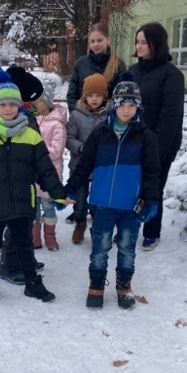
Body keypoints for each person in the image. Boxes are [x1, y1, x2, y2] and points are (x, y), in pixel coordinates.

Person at [0, 72, 71, 304]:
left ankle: (32, 284)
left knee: (24, 243)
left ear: (19, 105)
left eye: (12, 104)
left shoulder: (31, 136)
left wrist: (59, 193)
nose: (8, 109)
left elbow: (45, 169)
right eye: (2, 104)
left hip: (23, 199)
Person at [66, 74, 160, 310]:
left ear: (138, 107)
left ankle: (124, 287)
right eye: (122, 104)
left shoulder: (145, 136)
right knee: (101, 247)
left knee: (127, 248)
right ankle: (96, 285)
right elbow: (84, 164)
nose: (126, 110)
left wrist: (151, 199)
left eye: (131, 105)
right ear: (114, 105)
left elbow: (152, 172)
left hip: (130, 206)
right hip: (103, 204)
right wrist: (71, 188)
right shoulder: (100, 133)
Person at [129, 22, 185, 251]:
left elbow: (170, 116)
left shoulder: (172, 75)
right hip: (134, 141)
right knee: (132, 186)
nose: (139, 46)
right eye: (137, 42)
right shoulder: (133, 71)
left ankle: (152, 232)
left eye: (144, 42)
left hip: (161, 144)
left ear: (156, 43)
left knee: (153, 188)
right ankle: (129, 227)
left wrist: (157, 150)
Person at [0, 65, 45, 284]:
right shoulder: (16, 118)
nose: (39, 101)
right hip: (13, 180)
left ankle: (26, 258)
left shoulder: (27, 115)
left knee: (27, 222)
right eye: (35, 97)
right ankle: (8, 265)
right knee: (15, 225)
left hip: (27, 178)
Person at [65, 73, 110, 244]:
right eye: (90, 96)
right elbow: (69, 138)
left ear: (104, 96)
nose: (94, 99)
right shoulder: (76, 115)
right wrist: (81, 147)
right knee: (80, 200)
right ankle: (80, 224)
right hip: (80, 165)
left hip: (100, 166)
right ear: (84, 97)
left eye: (98, 95)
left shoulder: (109, 116)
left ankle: (97, 228)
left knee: (98, 200)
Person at [30, 82, 67, 251]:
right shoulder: (33, 120)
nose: (35, 104)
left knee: (48, 206)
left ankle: (50, 237)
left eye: (38, 101)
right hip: (33, 173)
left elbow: (57, 150)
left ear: (47, 101)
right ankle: (35, 237)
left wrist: (38, 150)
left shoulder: (57, 124)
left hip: (49, 173)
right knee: (34, 206)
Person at [66, 22, 126, 114]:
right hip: (83, 118)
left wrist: (109, 117)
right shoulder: (81, 64)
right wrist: (78, 117)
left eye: (99, 40)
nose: (96, 44)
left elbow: (121, 97)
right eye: (92, 41)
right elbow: (72, 96)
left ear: (108, 39)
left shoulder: (118, 65)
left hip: (107, 118)